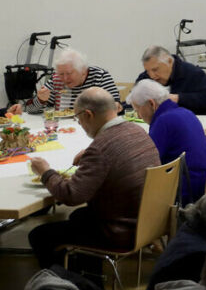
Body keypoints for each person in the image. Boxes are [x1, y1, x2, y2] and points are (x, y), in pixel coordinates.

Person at [27, 87, 161, 270]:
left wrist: (45, 172)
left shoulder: (100, 148)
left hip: (120, 231)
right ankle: (89, 276)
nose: (79, 123)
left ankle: (64, 287)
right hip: (148, 223)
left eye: (78, 118)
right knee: (78, 217)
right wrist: (91, 153)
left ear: (88, 114)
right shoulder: (136, 130)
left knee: (39, 235)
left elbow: (71, 196)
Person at [128, 79, 206, 204]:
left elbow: (148, 164)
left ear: (151, 104)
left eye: (138, 109)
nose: (139, 116)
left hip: (187, 191)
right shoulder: (186, 112)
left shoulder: (163, 122)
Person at [7, 49, 120, 115]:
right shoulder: (56, 79)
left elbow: (115, 106)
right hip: (61, 129)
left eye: (69, 73)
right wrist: (41, 100)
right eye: (61, 74)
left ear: (83, 71)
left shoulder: (100, 76)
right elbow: (30, 110)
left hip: (92, 128)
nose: (64, 79)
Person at [136, 45, 206, 115]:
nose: (151, 75)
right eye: (147, 71)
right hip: (159, 126)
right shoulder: (145, 78)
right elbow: (134, 100)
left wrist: (177, 99)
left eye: (155, 70)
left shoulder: (193, 73)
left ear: (169, 62)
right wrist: (123, 107)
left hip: (192, 126)